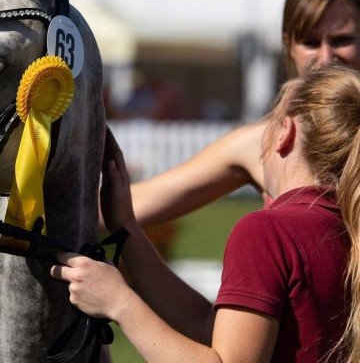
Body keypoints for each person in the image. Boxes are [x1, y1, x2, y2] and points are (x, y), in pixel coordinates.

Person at [53, 66, 360, 362]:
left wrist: (120, 303)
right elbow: (209, 326)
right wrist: (127, 229)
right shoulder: (347, 225)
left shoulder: (269, 230)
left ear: (284, 133)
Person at [129, 0, 360, 225]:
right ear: (288, 45)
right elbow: (136, 203)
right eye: (310, 42)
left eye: (341, 40)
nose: (326, 57)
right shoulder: (266, 140)